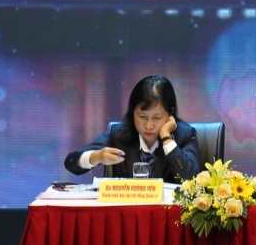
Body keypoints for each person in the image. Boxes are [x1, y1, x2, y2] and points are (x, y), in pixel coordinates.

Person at [64, 75, 202, 182]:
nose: (148, 125)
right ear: (132, 112)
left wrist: (167, 138)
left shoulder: (184, 135)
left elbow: (192, 179)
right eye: (142, 116)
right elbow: (71, 162)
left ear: (169, 114)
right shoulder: (118, 134)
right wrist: (96, 157)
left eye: (156, 117)